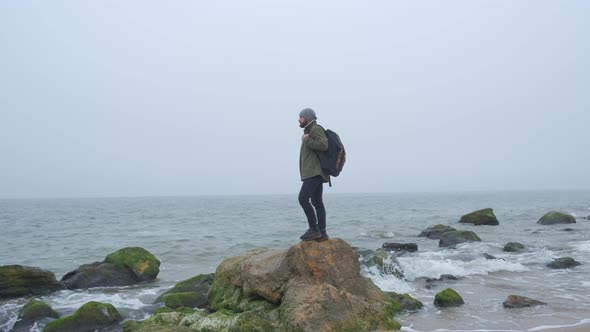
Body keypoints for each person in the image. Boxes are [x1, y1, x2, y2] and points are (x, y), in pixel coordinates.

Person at [297, 108, 330, 241]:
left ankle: (314, 229)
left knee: (303, 198)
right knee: (317, 202)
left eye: (300, 117)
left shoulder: (315, 129)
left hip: (314, 172)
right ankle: (322, 233)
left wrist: (306, 140)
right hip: (314, 172)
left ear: (307, 118)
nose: (298, 120)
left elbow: (324, 145)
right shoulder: (309, 131)